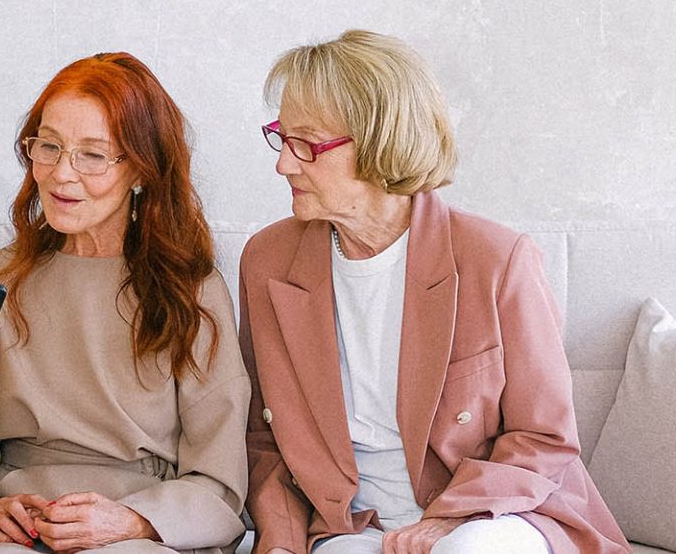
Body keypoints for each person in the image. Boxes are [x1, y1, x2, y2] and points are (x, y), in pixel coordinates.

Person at [238, 30, 628, 554]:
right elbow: (266, 441)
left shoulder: (494, 258)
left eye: (307, 144)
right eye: (281, 138)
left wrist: (449, 520)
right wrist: (281, 544)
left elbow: (544, 437)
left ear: (382, 142)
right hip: (353, 526)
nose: (284, 164)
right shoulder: (268, 261)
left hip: (497, 513)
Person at [0, 53, 249, 554]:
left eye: (92, 155)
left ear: (141, 170)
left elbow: (220, 477)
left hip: (141, 526)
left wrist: (133, 522)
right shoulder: (1, 276)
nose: (60, 175)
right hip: (20, 526)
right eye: (49, 147)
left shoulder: (191, 290)